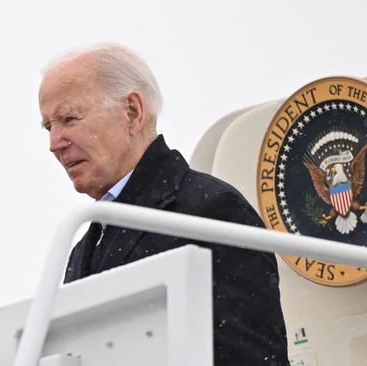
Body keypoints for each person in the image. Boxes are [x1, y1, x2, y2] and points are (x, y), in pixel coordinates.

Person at [38, 43, 288, 366]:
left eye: (69, 118)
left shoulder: (211, 213)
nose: (54, 143)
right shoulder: (80, 251)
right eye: (48, 126)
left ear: (132, 112)